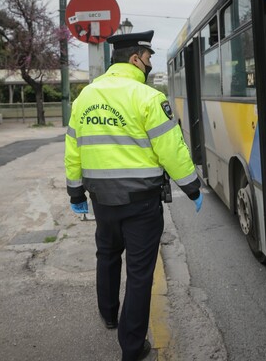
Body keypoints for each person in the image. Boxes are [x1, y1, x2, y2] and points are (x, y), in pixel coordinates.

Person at [64, 30, 203, 361]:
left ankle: (109, 315)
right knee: (140, 274)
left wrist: (75, 191)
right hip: (141, 203)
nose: (150, 63)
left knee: (107, 255)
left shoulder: (85, 96)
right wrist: (192, 187)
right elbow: (172, 150)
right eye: (149, 57)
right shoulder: (148, 98)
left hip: (102, 200)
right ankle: (131, 348)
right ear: (136, 58)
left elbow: (73, 148)